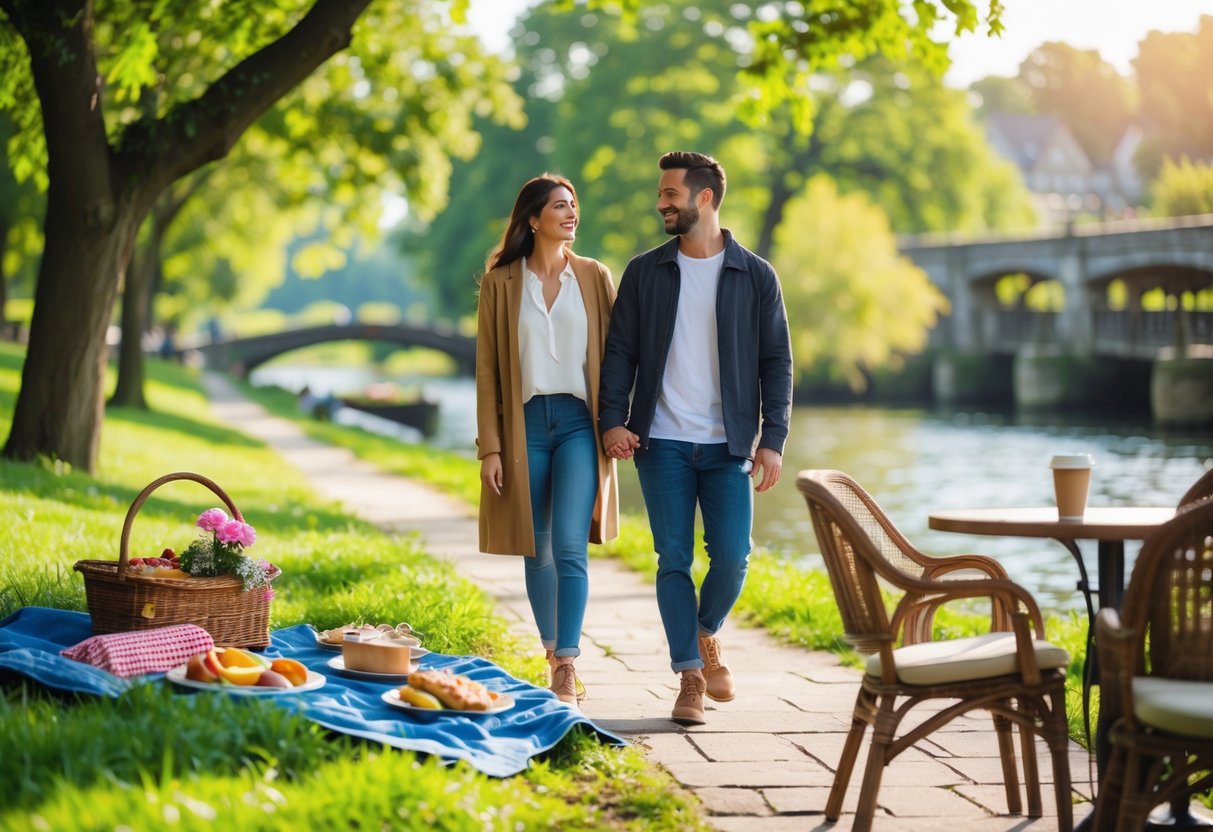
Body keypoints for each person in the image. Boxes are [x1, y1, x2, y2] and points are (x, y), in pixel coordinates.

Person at [599, 151, 793, 725]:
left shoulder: (755, 274)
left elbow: (777, 362)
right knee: (673, 558)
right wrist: (614, 418)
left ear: (704, 198)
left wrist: (773, 438)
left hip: (728, 444)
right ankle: (689, 675)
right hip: (659, 442)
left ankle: (705, 634)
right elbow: (620, 354)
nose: (661, 203)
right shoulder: (644, 272)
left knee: (733, 558)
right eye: (661, 194)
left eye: (670, 194)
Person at [475, 174, 620, 706]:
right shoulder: (501, 284)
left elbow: (619, 353)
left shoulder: (595, 276)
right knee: (535, 548)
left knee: (569, 545)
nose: (571, 213)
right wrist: (489, 447)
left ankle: (567, 665)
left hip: (580, 422)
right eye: (560, 206)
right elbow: (487, 370)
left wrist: (620, 421)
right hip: (525, 425)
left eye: (574, 205)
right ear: (533, 219)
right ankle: (550, 649)